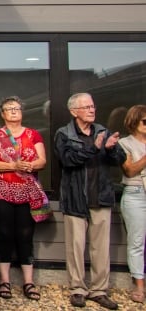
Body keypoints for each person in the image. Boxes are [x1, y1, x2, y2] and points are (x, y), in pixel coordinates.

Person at [54, 92, 125, 310]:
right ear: (74, 111)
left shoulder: (103, 131)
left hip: (101, 197)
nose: (92, 110)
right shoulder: (64, 134)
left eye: (93, 106)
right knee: (75, 247)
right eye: (86, 107)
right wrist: (93, 148)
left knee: (101, 248)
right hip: (75, 199)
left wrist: (112, 150)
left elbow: (120, 160)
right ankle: (77, 289)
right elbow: (67, 160)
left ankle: (99, 290)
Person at [0, 96, 47, 301]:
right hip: (2, 190)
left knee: (25, 234)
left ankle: (28, 282)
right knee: (3, 233)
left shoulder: (33, 134)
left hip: (27, 191)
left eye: (17, 108)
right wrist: (14, 166)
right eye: (9, 109)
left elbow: (42, 160)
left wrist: (30, 166)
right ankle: (4, 281)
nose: (13, 111)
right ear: (2, 113)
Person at [116, 104, 146, 304]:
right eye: (145, 121)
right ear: (134, 122)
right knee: (136, 242)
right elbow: (129, 170)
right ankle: (138, 286)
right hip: (136, 193)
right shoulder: (124, 143)